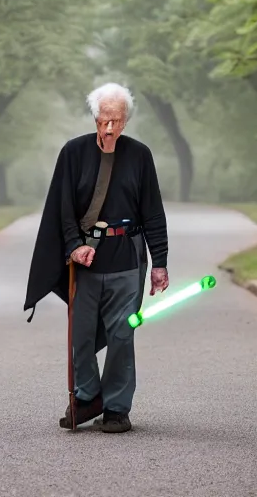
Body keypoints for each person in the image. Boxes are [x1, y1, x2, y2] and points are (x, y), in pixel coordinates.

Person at [24, 82, 169, 433]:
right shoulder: (73, 153)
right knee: (81, 335)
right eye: (104, 119)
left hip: (126, 259)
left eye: (116, 121)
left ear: (125, 121)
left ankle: (117, 407)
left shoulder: (140, 155)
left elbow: (152, 211)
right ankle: (87, 397)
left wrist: (160, 262)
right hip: (85, 263)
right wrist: (75, 245)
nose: (108, 128)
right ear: (94, 117)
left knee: (122, 334)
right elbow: (63, 208)